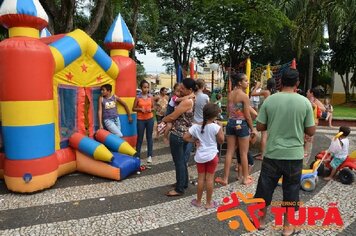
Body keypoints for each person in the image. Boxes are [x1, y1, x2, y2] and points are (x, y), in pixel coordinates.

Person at [253, 68, 315, 236]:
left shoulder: (270, 100)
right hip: (294, 155)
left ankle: (260, 221)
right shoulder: (304, 103)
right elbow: (310, 131)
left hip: (272, 153)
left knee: (265, 188)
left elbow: (259, 126)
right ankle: (287, 227)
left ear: (281, 82)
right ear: (297, 83)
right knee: (291, 190)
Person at [215, 72, 257, 186]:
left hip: (231, 123)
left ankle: (225, 178)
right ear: (240, 82)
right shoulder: (244, 96)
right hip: (242, 124)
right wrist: (252, 128)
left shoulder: (230, 94)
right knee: (243, 153)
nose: (248, 83)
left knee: (229, 152)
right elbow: (247, 115)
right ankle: (245, 178)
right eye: (246, 81)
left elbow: (229, 112)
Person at [183, 103, 224, 209]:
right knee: (210, 179)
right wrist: (221, 128)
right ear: (215, 116)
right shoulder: (216, 127)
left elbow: (185, 137)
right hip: (212, 156)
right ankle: (209, 203)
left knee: (201, 179)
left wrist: (194, 140)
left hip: (200, 156)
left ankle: (198, 201)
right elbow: (221, 141)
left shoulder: (195, 126)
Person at [162, 78, 196, 196]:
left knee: (179, 162)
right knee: (182, 161)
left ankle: (179, 188)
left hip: (178, 134)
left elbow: (173, 117)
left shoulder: (187, 101)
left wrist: (164, 119)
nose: (180, 90)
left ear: (190, 89)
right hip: (185, 133)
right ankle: (183, 182)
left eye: (183, 88)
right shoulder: (191, 98)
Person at [250, 79, 276, 160]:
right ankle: (265, 152)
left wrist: (256, 86)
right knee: (268, 134)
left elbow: (253, 94)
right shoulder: (275, 93)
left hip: (266, 114)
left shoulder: (266, 92)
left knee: (264, 135)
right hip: (272, 114)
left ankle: (262, 154)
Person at [133, 80, 155, 163]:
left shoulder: (150, 97)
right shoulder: (138, 97)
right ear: (141, 88)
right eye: (144, 87)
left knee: (149, 137)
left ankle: (149, 155)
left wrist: (151, 109)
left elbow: (154, 108)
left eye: (147, 87)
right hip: (140, 120)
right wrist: (139, 109)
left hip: (150, 119)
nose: (146, 89)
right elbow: (133, 108)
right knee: (140, 138)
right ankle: (137, 155)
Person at [304, 88, 325, 161]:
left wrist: (314, 105)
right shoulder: (309, 100)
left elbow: (323, 109)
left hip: (313, 121)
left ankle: (306, 152)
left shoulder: (315, 101)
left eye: (308, 92)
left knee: (309, 137)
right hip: (310, 120)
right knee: (306, 136)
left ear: (311, 93)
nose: (307, 93)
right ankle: (305, 151)